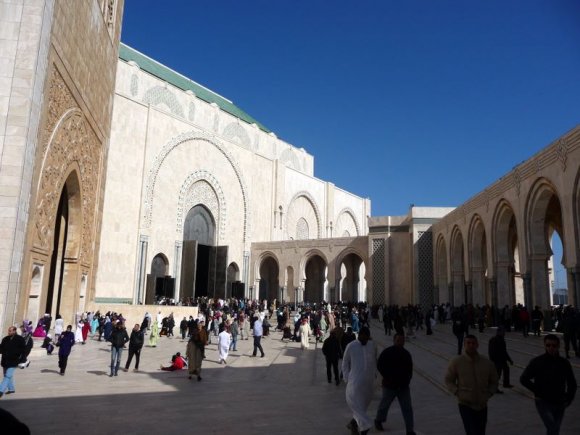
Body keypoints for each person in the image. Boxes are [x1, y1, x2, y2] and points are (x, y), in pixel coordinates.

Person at [520, 334, 577, 435]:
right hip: (543, 402)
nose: (551, 348)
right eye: (548, 345)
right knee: (552, 427)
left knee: (555, 429)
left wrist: (569, 398)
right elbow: (524, 379)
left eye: (554, 346)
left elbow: (572, 382)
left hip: (559, 401)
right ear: (545, 345)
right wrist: (538, 391)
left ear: (558, 346)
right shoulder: (537, 362)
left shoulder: (564, 363)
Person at [445, 334, 498, 435]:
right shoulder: (457, 362)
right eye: (468, 343)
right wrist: (457, 392)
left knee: (481, 432)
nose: (471, 345)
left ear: (477, 345)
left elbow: (494, 381)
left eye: (473, 343)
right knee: (472, 431)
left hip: (482, 404)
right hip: (465, 404)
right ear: (464, 345)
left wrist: (489, 393)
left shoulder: (487, 363)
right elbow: (448, 380)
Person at [374, 333, 416, 434]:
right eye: (398, 340)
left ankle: (410, 430)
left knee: (407, 408)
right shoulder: (387, 352)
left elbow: (410, 369)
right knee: (384, 405)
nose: (400, 343)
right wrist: (387, 376)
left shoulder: (406, 354)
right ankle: (378, 420)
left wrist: (408, 379)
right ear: (394, 341)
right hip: (389, 386)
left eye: (402, 341)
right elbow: (380, 365)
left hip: (403, 387)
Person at [342, 326, 377, 435]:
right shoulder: (351, 346)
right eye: (363, 338)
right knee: (358, 407)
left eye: (367, 338)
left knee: (361, 408)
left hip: (368, 384)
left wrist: (376, 375)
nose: (365, 340)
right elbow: (345, 362)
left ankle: (353, 423)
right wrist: (347, 378)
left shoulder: (372, 345)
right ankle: (364, 428)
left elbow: (375, 360)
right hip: (355, 383)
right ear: (359, 335)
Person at [0, 326, 26, 397]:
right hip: (5, 361)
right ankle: (11, 389)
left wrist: (22, 360)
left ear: (14, 331)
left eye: (10, 331)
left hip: (14, 361)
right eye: (8, 331)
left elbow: (24, 351)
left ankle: (1, 390)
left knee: (7, 376)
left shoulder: (20, 339)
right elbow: (1, 348)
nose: (9, 332)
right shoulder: (5, 339)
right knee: (7, 375)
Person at [488, 327, 513, 393]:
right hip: (497, 360)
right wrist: (493, 359)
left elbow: (504, 351)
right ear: (499, 332)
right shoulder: (494, 340)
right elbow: (491, 351)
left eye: (504, 332)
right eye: (503, 332)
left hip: (502, 359)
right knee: (497, 375)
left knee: (506, 370)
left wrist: (509, 360)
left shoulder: (501, 340)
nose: (504, 333)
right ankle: (494, 388)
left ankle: (506, 383)